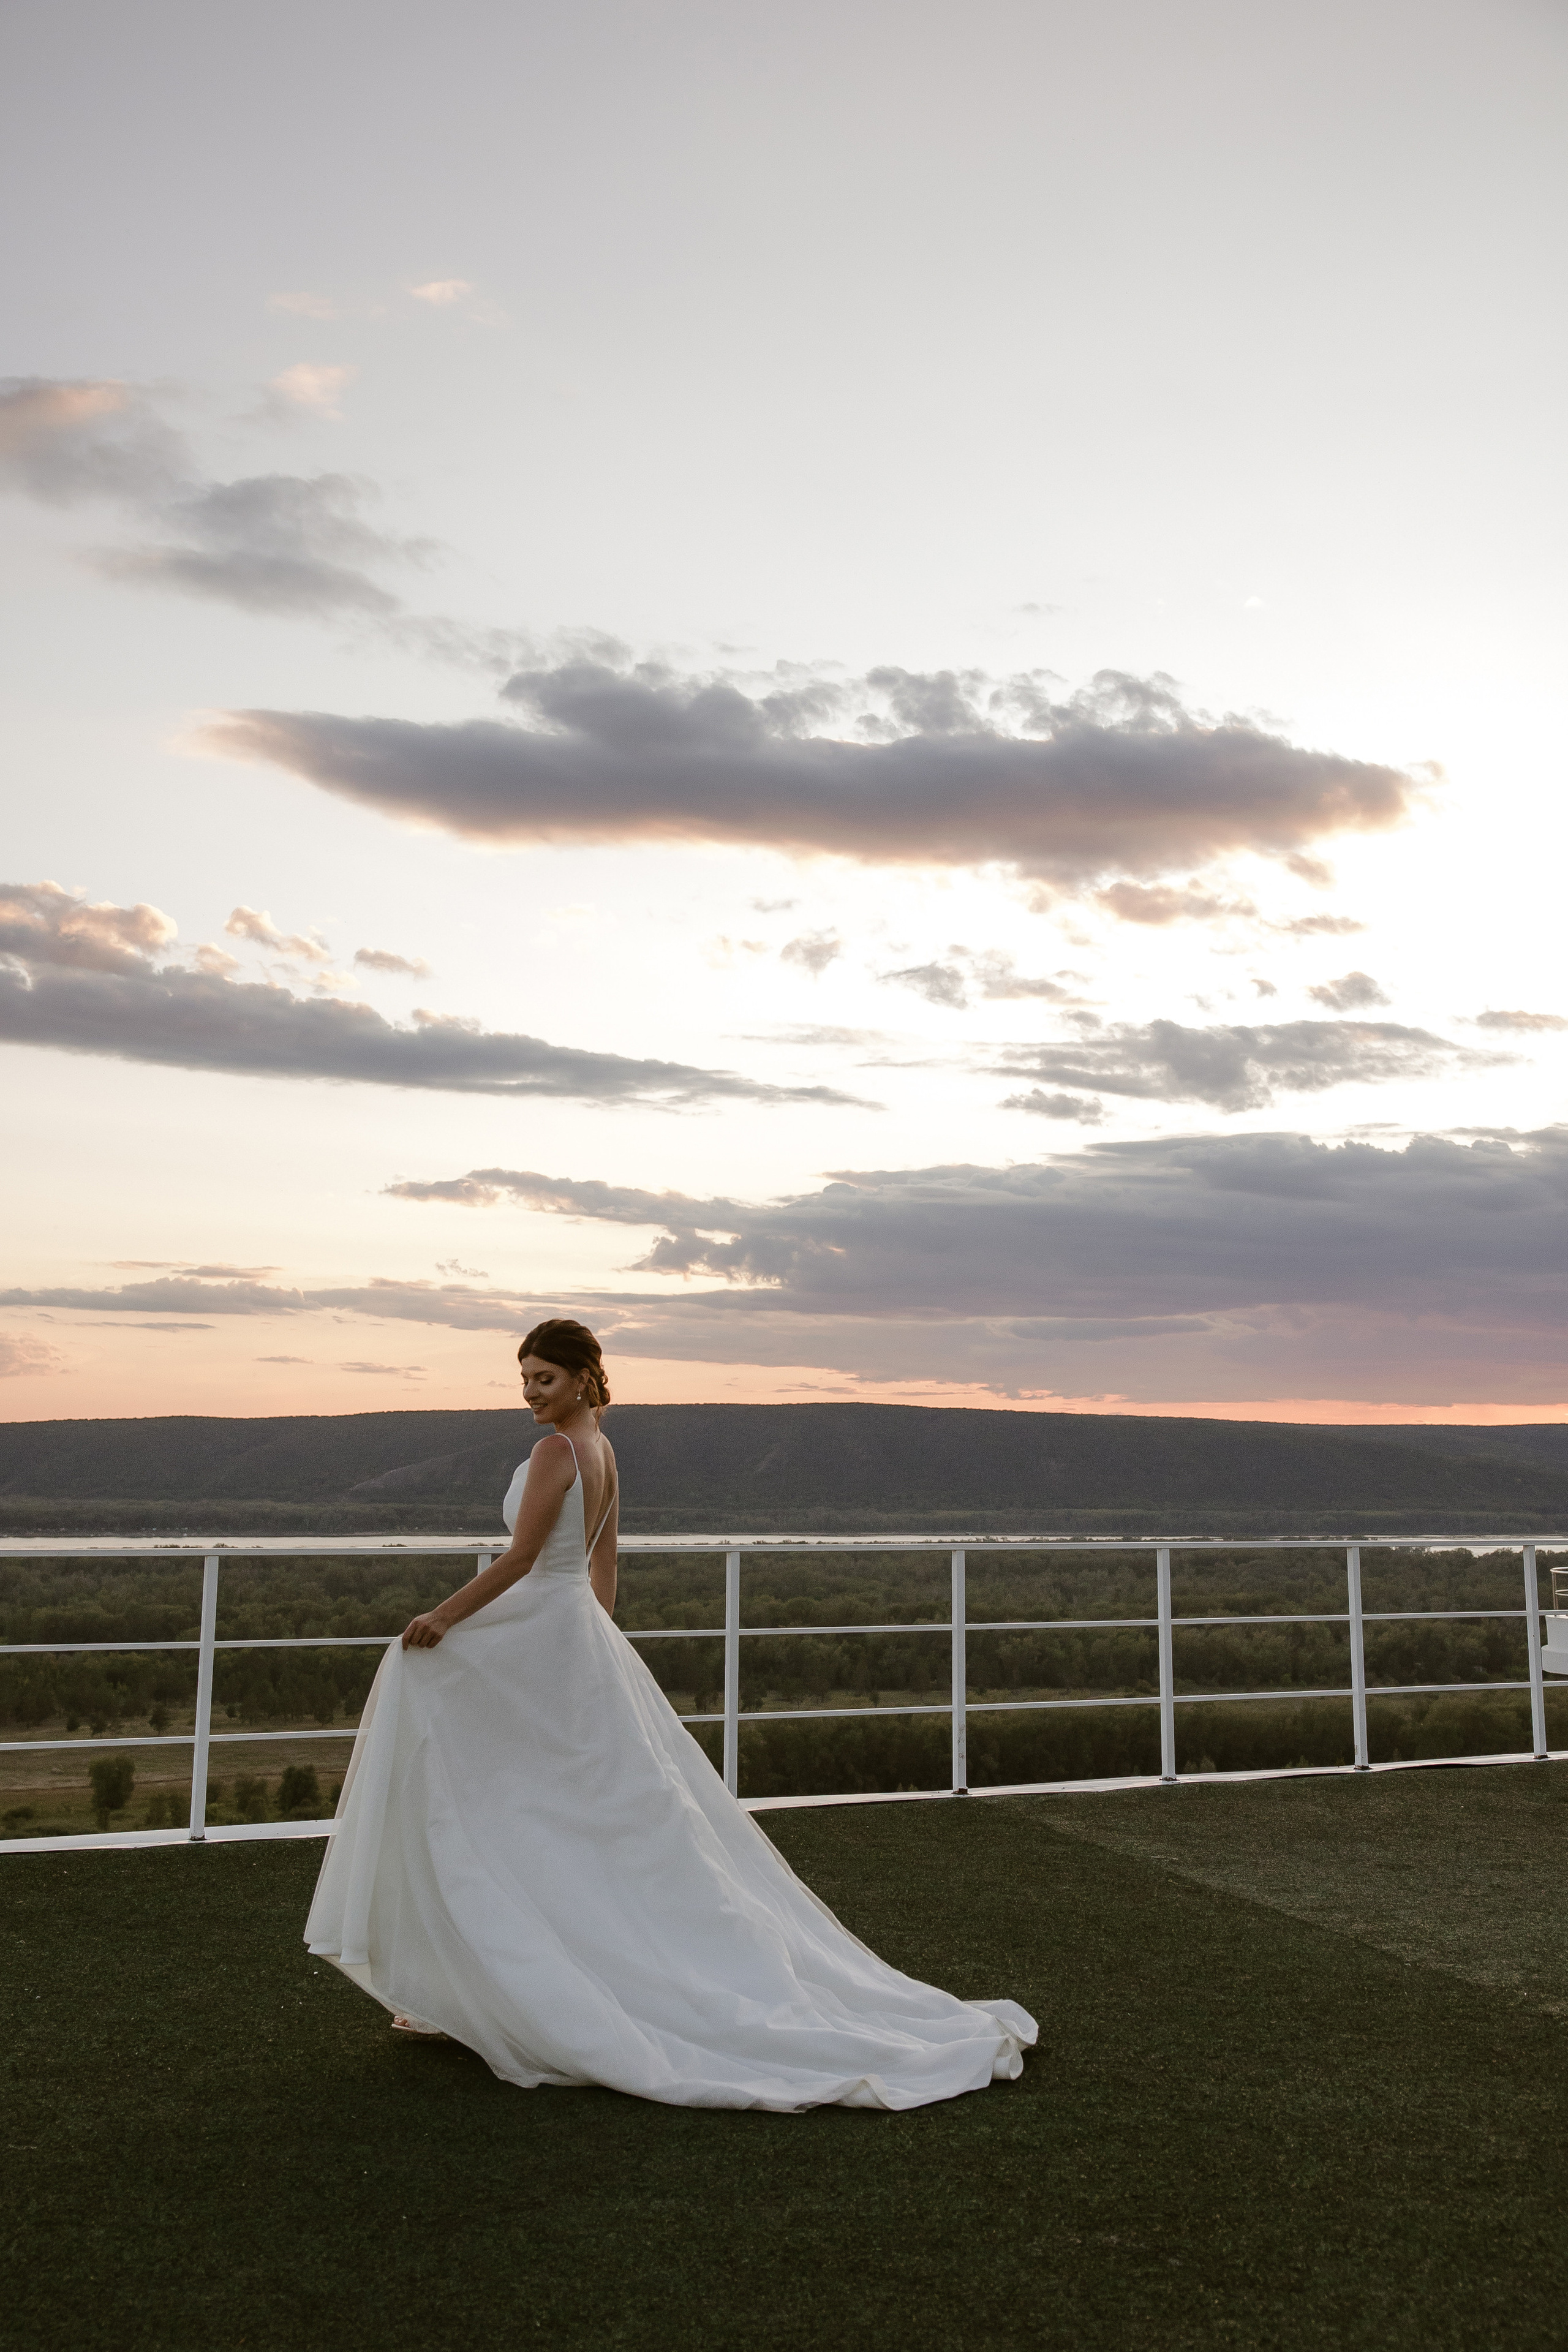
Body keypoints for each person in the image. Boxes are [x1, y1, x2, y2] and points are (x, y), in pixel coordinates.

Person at [305, 1317, 1036, 2111]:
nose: (529, 1394)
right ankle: (485, 1984)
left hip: (545, 1629)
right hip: (573, 1633)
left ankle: (500, 1984)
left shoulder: (557, 1451)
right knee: (560, 1807)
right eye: (523, 1379)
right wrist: (593, 1643)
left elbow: (521, 1560)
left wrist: (444, 1618)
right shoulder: (604, 1451)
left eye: (544, 1379)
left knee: (480, 1771)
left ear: (583, 1378)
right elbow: (601, 1565)